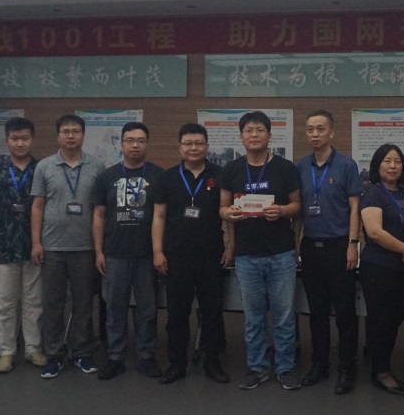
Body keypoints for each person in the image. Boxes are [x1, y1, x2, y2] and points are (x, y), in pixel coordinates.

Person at [219, 111, 302, 391]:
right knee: (253, 317)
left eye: (259, 130)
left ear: (269, 135)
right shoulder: (231, 169)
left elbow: (297, 206)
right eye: (248, 130)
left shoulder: (285, 168)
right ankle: (257, 367)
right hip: (246, 255)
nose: (254, 135)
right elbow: (222, 208)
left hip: (281, 253)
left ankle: (285, 368)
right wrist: (228, 214)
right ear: (241, 136)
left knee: (284, 316)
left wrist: (281, 211)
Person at [153, 124, 232, 384]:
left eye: (198, 143)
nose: (193, 148)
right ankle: (176, 364)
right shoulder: (167, 177)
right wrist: (157, 251)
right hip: (176, 256)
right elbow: (159, 216)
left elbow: (229, 214)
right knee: (177, 314)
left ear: (207, 146)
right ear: (180, 147)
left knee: (212, 313)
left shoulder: (220, 175)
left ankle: (213, 362)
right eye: (188, 143)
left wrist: (231, 246)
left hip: (212, 255)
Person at [295, 110, 363, 394]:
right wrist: (296, 244)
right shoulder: (301, 166)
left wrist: (353, 244)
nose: (315, 134)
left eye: (320, 129)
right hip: (311, 247)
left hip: (339, 246)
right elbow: (298, 210)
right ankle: (319, 364)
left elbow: (355, 208)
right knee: (317, 312)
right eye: (310, 129)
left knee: (345, 313)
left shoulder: (346, 165)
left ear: (331, 132)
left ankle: (346, 368)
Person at [31, 115, 103, 379]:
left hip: (84, 247)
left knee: (83, 304)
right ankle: (54, 354)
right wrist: (36, 242)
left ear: (83, 135)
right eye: (66, 131)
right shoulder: (45, 166)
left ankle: (82, 352)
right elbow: (37, 206)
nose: (71, 136)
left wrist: (98, 249)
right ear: (58, 136)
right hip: (52, 247)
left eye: (76, 131)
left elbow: (100, 210)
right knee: (53, 304)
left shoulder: (96, 166)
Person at [92, 122, 164, 380]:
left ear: (147, 144)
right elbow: (99, 216)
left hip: (146, 255)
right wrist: (98, 251)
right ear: (121, 144)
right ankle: (115, 357)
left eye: (140, 141)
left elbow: (161, 216)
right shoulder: (107, 177)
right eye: (130, 140)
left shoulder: (158, 175)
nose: (135, 145)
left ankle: (146, 356)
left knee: (147, 309)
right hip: (114, 253)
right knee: (115, 308)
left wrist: (158, 251)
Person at [0, 117, 44, 374]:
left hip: (34, 246)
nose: (20, 143)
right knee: (5, 302)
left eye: (25, 138)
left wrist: (39, 243)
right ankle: (6, 351)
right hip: (4, 246)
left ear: (32, 140)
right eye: (15, 139)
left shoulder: (41, 169)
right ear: (7, 140)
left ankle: (33, 348)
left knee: (33, 302)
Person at [359, 143, 404, 396]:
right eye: (387, 161)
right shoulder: (373, 194)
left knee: (394, 321)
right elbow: (375, 232)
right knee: (380, 321)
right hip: (378, 267)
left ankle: (381, 362)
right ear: (377, 165)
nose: (393, 166)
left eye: (397, 161)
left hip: (402, 268)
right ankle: (380, 372)